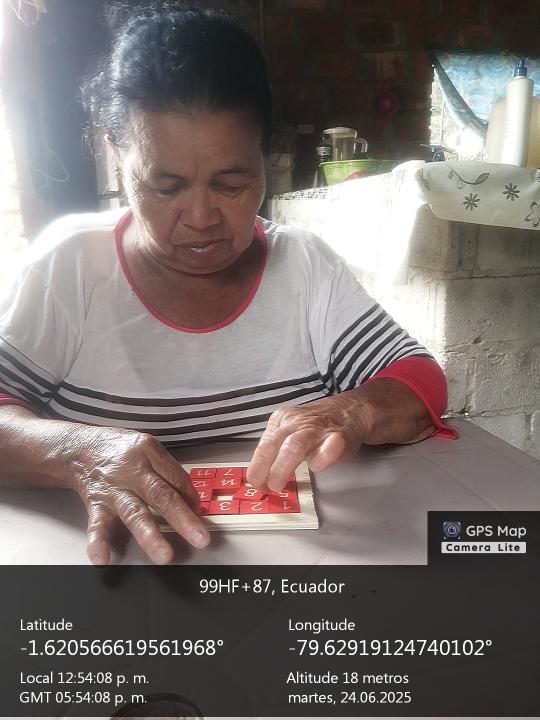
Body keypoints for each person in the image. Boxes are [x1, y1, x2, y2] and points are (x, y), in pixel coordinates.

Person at [0, 3, 454, 566]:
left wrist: (354, 411)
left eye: (232, 184)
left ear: (265, 158)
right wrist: (78, 451)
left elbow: (420, 380)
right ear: (117, 157)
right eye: (166, 187)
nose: (200, 218)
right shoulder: (70, 267)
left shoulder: (302, 266)